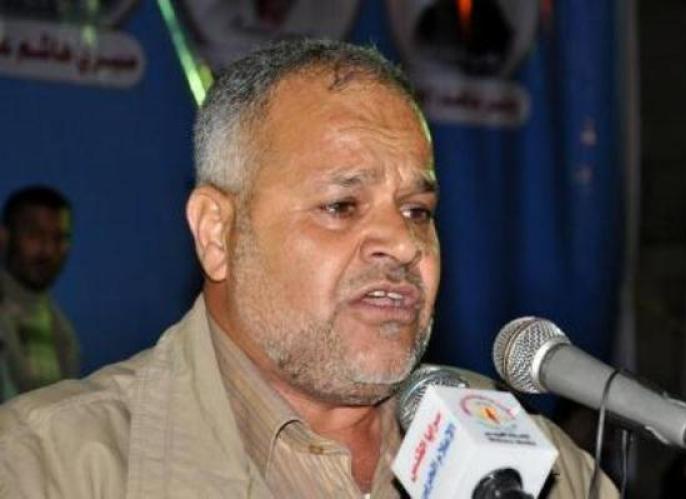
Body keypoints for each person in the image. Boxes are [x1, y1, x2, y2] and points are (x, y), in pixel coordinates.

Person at [0, 39, 617, 498]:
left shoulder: (541, 467)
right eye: (341, 206)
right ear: (217, 234)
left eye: (417, 211)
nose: (404, 244)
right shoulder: (46, 468)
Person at [0, 186, 78, 401]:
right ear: (4, 237)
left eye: (59, 238)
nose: (48, 250)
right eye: (35, 235)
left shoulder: (63, 334)